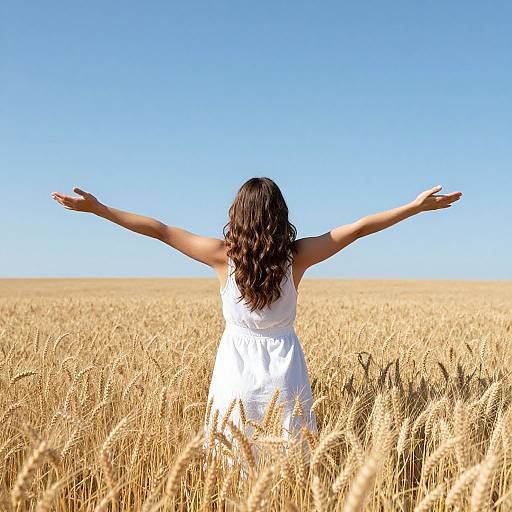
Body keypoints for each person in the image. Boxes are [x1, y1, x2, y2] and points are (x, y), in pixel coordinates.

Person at [51, 178, 462, 445]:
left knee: (233, 462)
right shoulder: (297, 257)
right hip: (286, 373)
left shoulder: (219, 256)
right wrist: (413, 207)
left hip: (234, 374)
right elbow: (357, 228)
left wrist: (101, 210)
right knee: (288, 460)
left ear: (238, 217)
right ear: (280, 216)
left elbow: (159, 229)